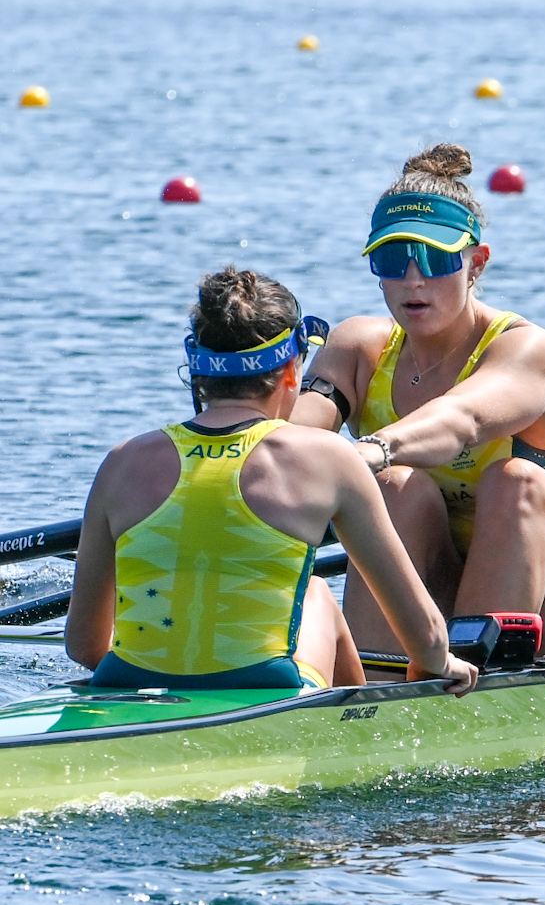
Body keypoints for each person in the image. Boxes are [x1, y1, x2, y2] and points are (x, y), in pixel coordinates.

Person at [293, 145, 545, 664]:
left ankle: (464, 690)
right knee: (396, 487)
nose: (413, 279)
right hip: (441, 582)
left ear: (476, 263)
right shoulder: (357, 348)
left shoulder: (526, 350)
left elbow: (462, 419)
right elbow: (294, 438)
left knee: (513, 482)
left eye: (435, 259)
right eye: (392, 259)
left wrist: (371, 450)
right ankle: (379, 697)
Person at [67, 267, 475, 694]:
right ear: (291, 373)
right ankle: (357, 733)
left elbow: (83, 644)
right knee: (316, 593)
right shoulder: (329, 458)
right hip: (267, 689)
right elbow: (427, 638)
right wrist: (439, 660)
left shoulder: (122, 462)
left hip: (128, 681)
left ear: (197, 370)